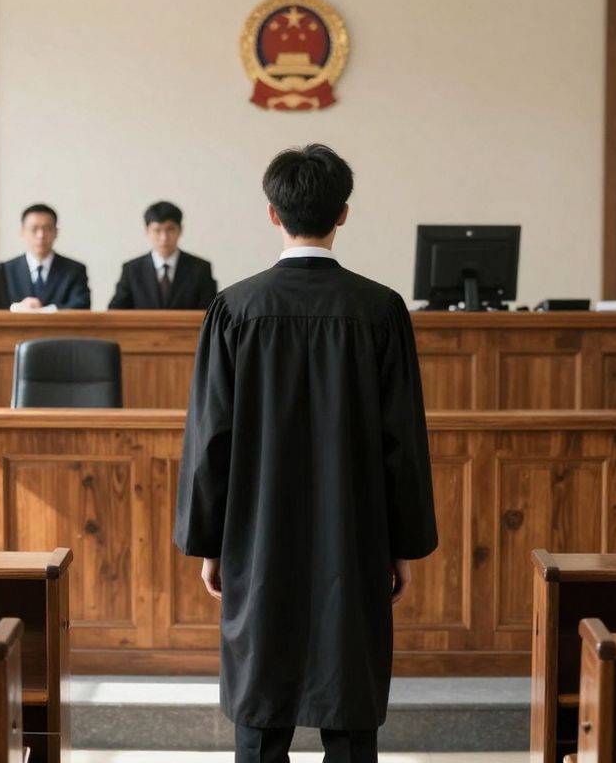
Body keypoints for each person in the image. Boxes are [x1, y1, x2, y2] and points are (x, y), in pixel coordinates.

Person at [174, 144, 437, 763]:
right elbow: (402, 441)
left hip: (256, 538)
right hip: (355, 538)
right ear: (343, 213)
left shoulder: (234, 309)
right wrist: (403, 545)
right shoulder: (380, 310)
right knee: (349, 706)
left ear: (273, 214)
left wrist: (209, 543)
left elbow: (211, 440)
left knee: (262, 709)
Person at [108, 201, 218, 310]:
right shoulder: (132, 270)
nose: (164, 238)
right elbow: (115, 312)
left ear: (180, 230)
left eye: (170, 229)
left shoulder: (200, 269)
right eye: (157, 230)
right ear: (147, 231)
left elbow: (212, 313)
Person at [4, 203, 91, 310]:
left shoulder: (75, 270)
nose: (41, 235)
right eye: (34, 229)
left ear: (56, 232)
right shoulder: (6, 270)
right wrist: (17, 307)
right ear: (22, 232)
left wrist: (46, 311)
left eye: (47, 229)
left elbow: (82, 304)